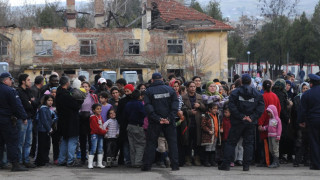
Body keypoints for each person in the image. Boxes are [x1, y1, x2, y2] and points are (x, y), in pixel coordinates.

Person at [219, 74, 264, 171]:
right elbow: (260, 108)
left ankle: (226, 164)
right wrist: (251, 117)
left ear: (241, 81)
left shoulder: (235, 93)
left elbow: (231, 106)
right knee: (248, 143)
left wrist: (241, 116)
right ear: (250, 82)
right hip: (249, 122)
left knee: (231, 142)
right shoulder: (256, 93)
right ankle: (246, 165)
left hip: (237, 122)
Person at [141, 73, 180, 171]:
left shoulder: (148, 91)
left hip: (155, 122)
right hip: (169, 121)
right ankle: (175, 165)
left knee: (151, 143)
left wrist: (157, 118)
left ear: (152, 80)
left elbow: (148, 107)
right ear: (162, 79)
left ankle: (147, 166)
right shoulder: (170, 90)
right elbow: (175, 105)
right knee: (172, 143)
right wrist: (169, 118)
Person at [0, 72, 28, 172]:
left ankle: (1, 163)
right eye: (10, 79)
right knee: (12, 141)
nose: (12, 81)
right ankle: (15, 164)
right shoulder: (10, 90)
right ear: (5, 80)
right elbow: (17, 106)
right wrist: (24, 117)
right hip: (7, 120)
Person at [56, 76, 82, 167]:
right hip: (71, 121)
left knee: (65, 140)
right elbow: (76, 106)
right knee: (73, 140)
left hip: (62, 120)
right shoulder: (66, 95)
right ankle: (70, 160)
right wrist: (79, 101)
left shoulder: (58, 93)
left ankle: (61, 159)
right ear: (67, 83)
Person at [298, 74, 320, 170]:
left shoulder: (307, 94)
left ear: (311, 84)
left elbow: (303, 110)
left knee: (314, 142)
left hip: (313, 120)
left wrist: (301, 121)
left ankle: (316, 164)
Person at [257, 80, 281, 167]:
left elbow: (262, 112)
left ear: (263, 87)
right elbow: (278, 109)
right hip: (274, 123)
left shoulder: (262, 96)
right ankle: (271, 160)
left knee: (266, 144)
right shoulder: (275, 96)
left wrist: (260, 123)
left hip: (265, 124)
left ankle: (266, 161)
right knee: (272, 144)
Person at [182, 81, 206, 166]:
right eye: (191, 86)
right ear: (187, 88)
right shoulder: (183, 97)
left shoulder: (199, 97)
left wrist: (199, 105)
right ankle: (187, 158)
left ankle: (197, 158)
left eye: (194, 86)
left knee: (197, 141)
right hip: (187, 122)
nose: (193, 88)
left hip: (197, 122)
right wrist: (190, 112)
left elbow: (205, 108)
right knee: (187, 141)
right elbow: (182, 108)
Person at [16, 74, 37, 168]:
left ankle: (26, 160)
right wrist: (30, 102)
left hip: (29, 118)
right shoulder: (18, 92)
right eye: (28, 80)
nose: (30, 81)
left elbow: (35, 104)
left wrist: (31, 102)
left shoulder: (29, 90)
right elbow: (25, 105)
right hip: (22, 119)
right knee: (21, 141)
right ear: (23, 81)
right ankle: (20, 161)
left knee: (28, 141)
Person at [125, 90, 146, 168]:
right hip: (138, 126)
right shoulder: (139, 104)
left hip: (129, 125)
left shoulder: (128, 104)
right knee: (140, 144)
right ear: (139, 96)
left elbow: (126, 114)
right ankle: (138, 161)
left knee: (132, 145)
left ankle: (133, 161)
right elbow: (144, 113)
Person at [34, 95, 57, 166]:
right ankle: (40, 161)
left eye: (51, 100)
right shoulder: (43, 109)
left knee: (46, 145)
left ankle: (44, 160)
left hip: (46, 130)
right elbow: (44, 120)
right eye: (49, 100)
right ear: (45, 101)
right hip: (43, 129)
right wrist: (49, 128)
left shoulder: (48, 109)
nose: (50, 102)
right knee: (42, 145)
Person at [79, 81, 99, 164]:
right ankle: (83, 158)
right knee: (82, 140)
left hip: (90, 118)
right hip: (81, 118)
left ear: (89, 88)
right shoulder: (79, 96)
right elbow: (77, 106)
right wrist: (80, 112)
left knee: (91, 139)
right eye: (83, 86)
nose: (85, 88)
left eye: (86, 86)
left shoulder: (93, 96)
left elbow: (96, 106)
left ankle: (92, 158)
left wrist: (90, 114)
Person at [292, 82, 310, 167]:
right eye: (304, 88)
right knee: (300, 142)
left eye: (307, 88)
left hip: (308, 123)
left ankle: (305, 160)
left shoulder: (310, 97)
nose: (305, 90)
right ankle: (298, 160)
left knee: (306, 143)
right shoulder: (297, 98)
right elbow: (296, 112)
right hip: (300, 124)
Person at [117, 84, 134, 166]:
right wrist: (120, 122)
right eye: (126, 91)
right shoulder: (122, 101)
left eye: (128, 91)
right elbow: (118, 113)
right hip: (124, 125)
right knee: (126, 143)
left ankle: (132, 159)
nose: (127, 93)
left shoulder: (134, 100)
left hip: (132, 124)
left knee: (132, 143)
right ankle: (127, 160)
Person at [88, 104, 107, 169]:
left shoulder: (100, 117)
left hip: (100, 134)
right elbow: (96, 128)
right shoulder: (93, 117)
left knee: (100, 148)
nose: (99, 110)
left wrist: (105, 129)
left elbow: (103, 124)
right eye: (97, 109)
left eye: (100, 109)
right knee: (93, 148)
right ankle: (90, 164)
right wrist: (104, 131)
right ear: (93, 110)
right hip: (95, 134)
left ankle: (99, 163)